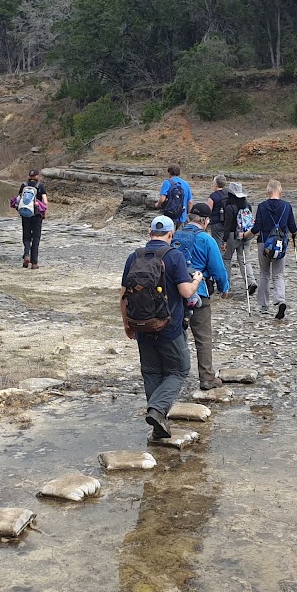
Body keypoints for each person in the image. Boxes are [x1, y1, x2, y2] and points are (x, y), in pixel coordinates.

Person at [121, 215, 203, 440]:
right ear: (170, 234)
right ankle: (157, 411)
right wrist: (197, 279)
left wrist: (127, 323)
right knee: (179, 369)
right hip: (169, 327)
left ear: (150, 234)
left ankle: (158, 423)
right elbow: (186, 292)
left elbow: (124, 295)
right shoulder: (175, 256)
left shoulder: (134, 257)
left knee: (151, 372)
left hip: (141, 325)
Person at [175, 202, 231, 390]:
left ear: (190, 217)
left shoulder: (175, 236)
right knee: (203, 337)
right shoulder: (207, 240)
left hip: (176, 293)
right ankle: (207, 378)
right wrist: (224, 287)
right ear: (206, 221)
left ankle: (174, 376)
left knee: (176, 335)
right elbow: (218, 269)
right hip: (199, 293)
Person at [249, 178, 297, 319]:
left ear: (267, 191)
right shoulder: (287, 206)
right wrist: (294, 234)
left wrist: (245, 235)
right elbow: (293, 227)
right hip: (281, 244)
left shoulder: (262, 206)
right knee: (278, 275)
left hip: (264, 243)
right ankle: (280, 300)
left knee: (264, 274)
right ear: (280, 190)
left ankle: (264, 305)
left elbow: (256, 227)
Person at [220, 181, 254, 297]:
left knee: (227, 259)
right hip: (246, 235)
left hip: (233, 236)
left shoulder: (230, 207)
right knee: (245, 260)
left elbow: (227, 226)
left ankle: (226, 285)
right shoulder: (247, 205)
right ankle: (250, 282)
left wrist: (224, 240)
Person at [11, 169, 49, 269]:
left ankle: (26, 254)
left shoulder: (24, 186)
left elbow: (18, 200)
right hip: (37, 215)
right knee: (36, 238)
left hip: (26, 215)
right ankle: (34, 263)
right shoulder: (40, 186)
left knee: (26, 236)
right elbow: (45, 202)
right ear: (37, 176)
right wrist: (43, 214)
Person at [206, 175, 229, 248]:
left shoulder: (213, 196)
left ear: (216, 184)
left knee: (217, 242)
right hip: (228, 222)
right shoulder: (228, 194)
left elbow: (208, 211)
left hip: (216, 222)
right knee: (225, 242)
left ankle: (218, 254)